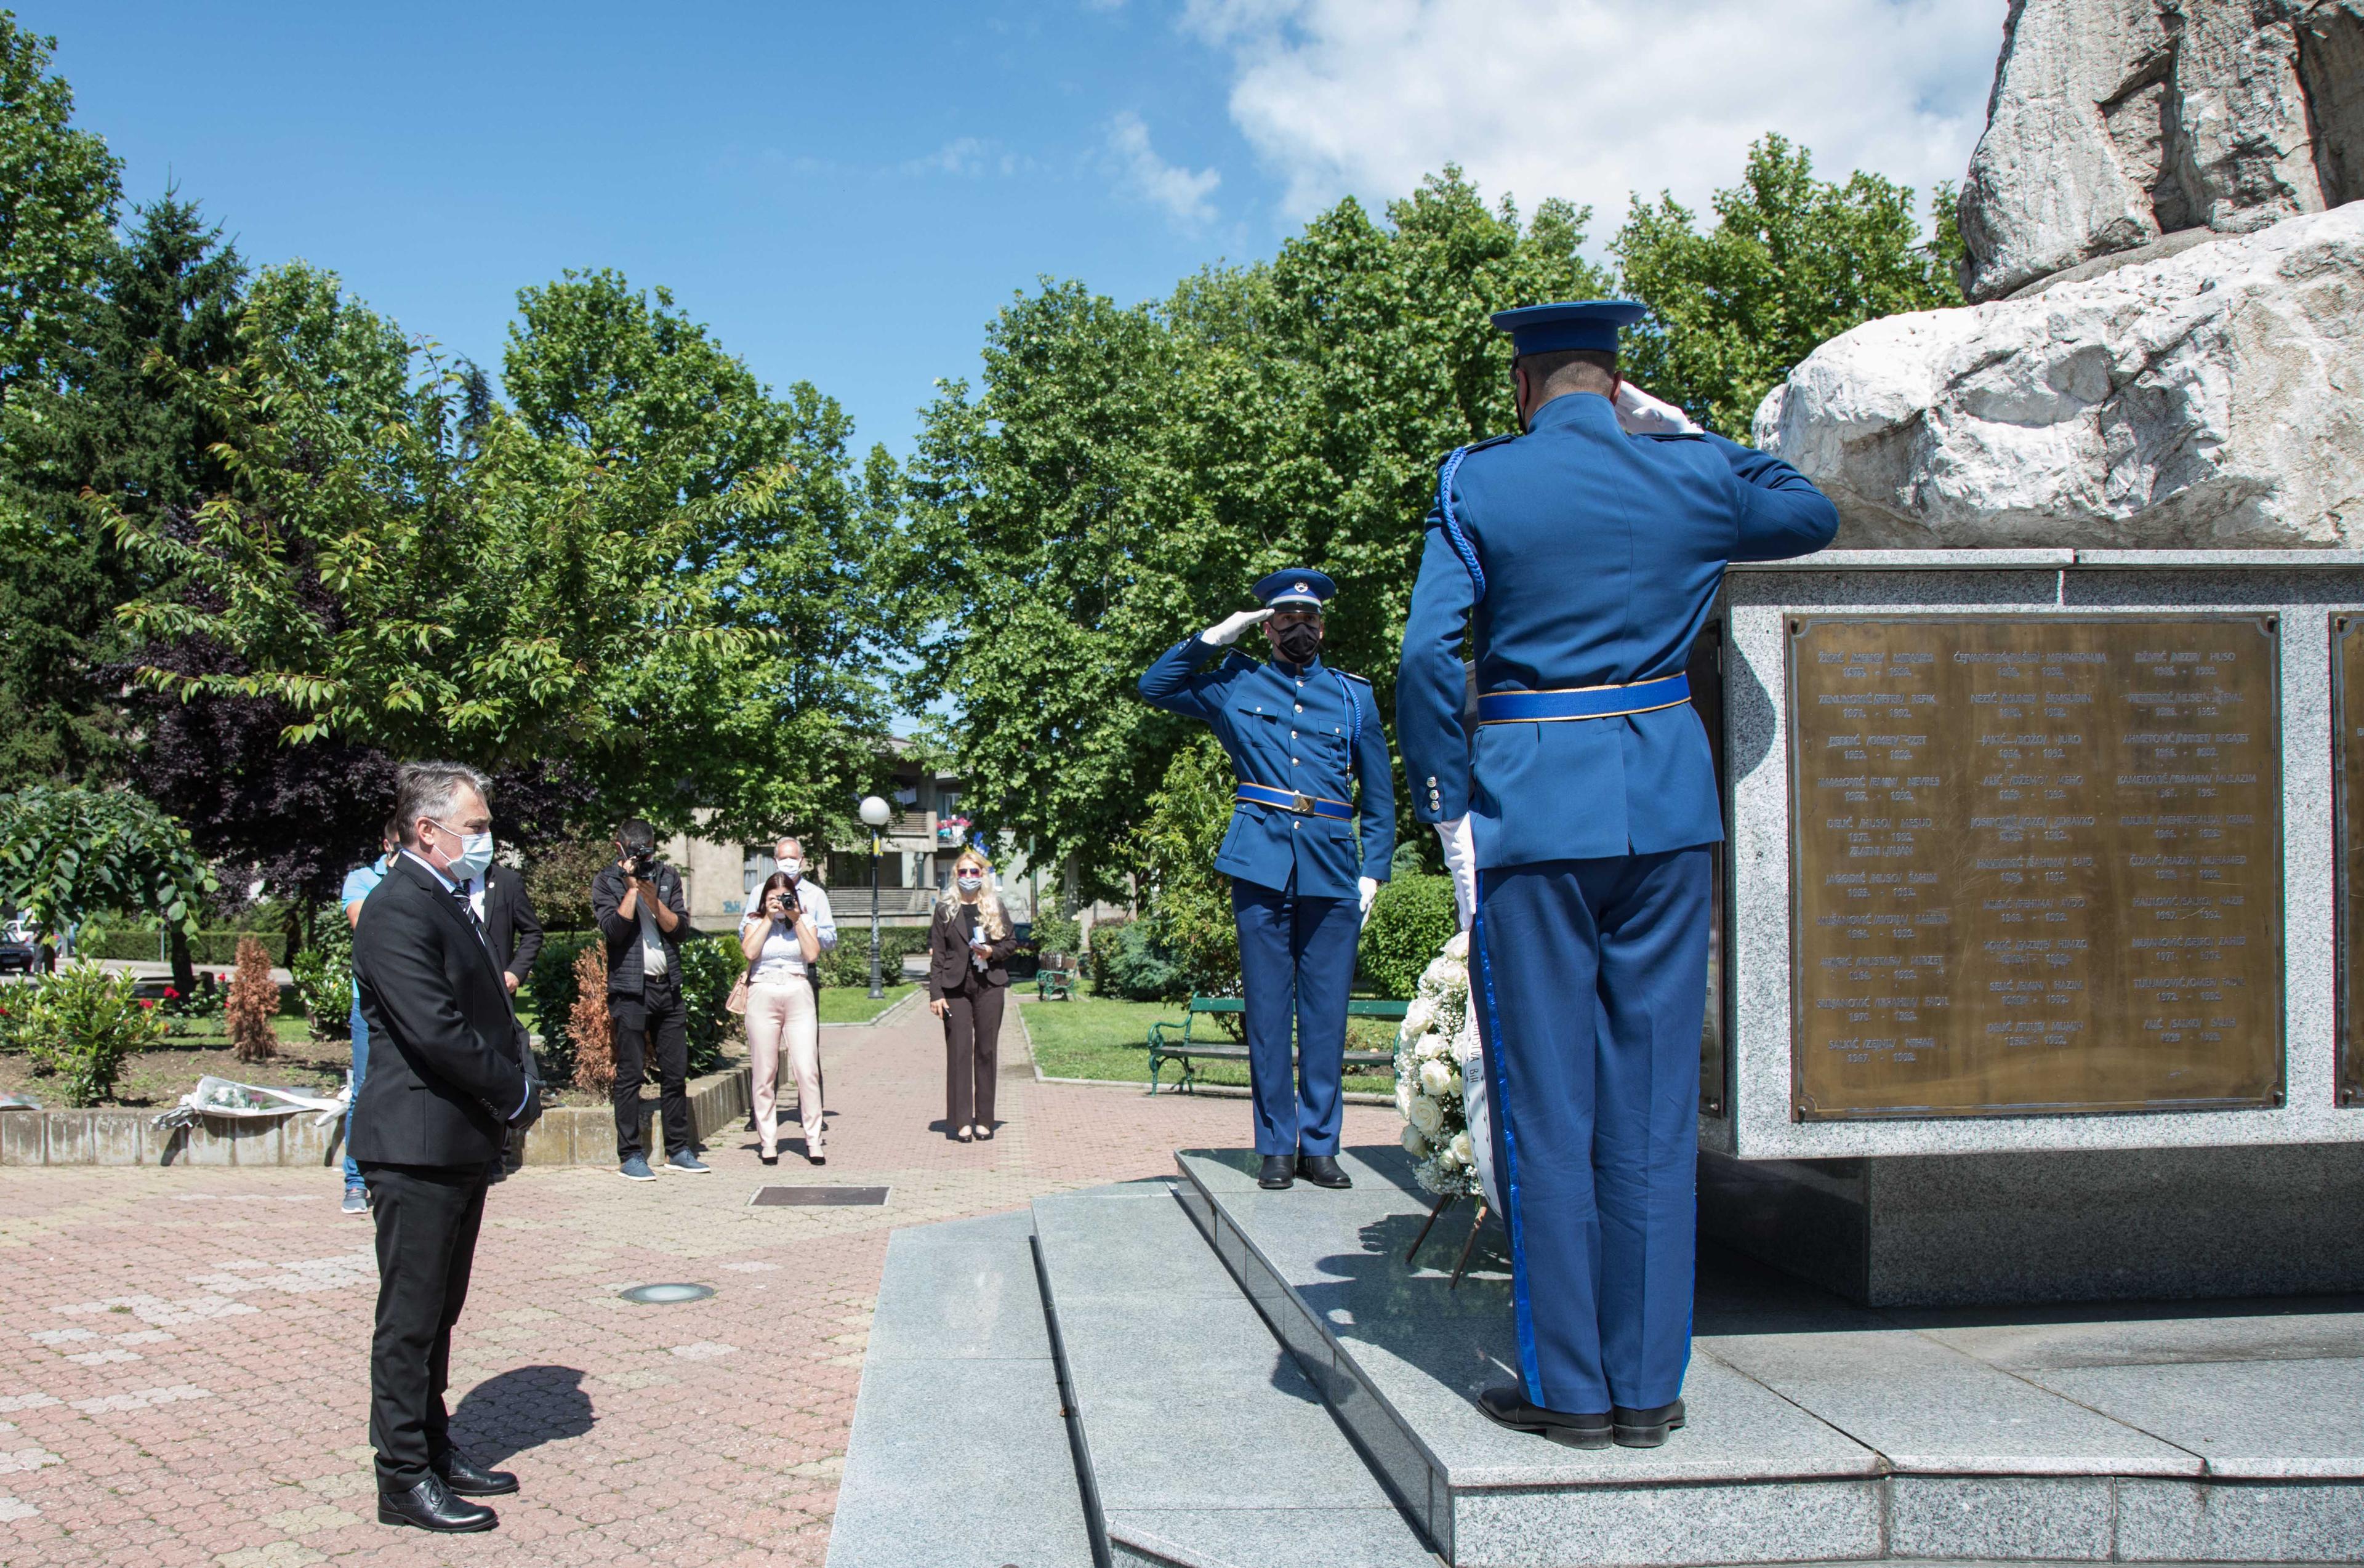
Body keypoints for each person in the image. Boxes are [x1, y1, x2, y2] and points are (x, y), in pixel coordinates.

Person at [1394, 300, 1838, 1450]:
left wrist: (1450, 794)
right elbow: (1808, 509)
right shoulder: (1690, 477)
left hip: (1535, 812)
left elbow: (1425, 653)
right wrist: (1689, 433)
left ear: (1523, 388)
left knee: (1550, 1107)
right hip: (1666, 816)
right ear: (1620, 383)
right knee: (1647, 1110)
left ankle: (1573, 1391)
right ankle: (1649, 1387)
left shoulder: (1483, 482)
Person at [1138, 569, 1396, 1191]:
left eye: (1309, 621)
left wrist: (1374, 872)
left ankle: (1323, 1145)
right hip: (1260, 863)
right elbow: (1156, 685)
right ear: (1268, 626)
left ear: (1323, 628)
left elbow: (1382, 796)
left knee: (1327, 1014)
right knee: (1268, 1013)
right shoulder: (1235, 681)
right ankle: (1278, 1145)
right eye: (1286, 619)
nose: (1299, 629)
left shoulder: (1353, 696)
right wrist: (1216, 638)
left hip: (1334, 867)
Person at [350, 761, 542, 1532]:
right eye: (476, 826)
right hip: (416, 1143)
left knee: (441, 1311)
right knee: (411, 1316)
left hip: (455, 1140)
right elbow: (435, 1029)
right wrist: (515, 1089)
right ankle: (401, 1478)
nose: (486, 839)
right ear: (426, 830)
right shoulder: (397, 907)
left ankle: (432, 1445)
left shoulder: (445, 896)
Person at [592, 819, 701, 1180]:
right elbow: (614, 931)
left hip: (667, 987)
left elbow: (680, 930)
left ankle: (679, 1150)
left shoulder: (667, 877)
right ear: (619, 847)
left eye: (648, 851)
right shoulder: (607, 881)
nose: (644, 857)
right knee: (629, 1075)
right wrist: (631, 889)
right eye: (637, 851)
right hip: (630, 991)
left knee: (675, 1072)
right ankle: (631, 1155)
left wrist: (653, 897)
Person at [927, 847, 1018, 1142]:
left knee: (986, 1051)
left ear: (983, 875)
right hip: (955, 991)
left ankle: (985, 1120)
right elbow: (938, 954)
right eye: (963, 872)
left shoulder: (995, 906)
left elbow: (1011, 944)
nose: (968, 877)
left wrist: (991, 951)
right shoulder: (944, 910)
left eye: (974, 871)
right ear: (956, 875)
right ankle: (962, 1121)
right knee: (959, 1051)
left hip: (990, 985)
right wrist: (935, 992)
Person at [741, 870, 823, 1165]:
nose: (779, 903)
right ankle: (768, 1141)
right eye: (773, 898)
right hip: (763, 992)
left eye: (784, 897)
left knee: (807, 1070)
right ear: (764, 900)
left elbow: (812, 955)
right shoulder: (754, 921)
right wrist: (767, 919)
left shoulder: (805, 921)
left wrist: (796, 917)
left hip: (798, 991)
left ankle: (814, 1141)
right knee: (765, 1072)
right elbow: (750, 952)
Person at [339, 818, 400, 1216]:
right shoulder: (362, 878)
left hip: (413, 1003)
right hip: (371, 1003)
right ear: (386, 844)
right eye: (398, 847)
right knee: (364, 1090)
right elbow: (366, 925)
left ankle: (396, 1176)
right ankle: (356, 1181)